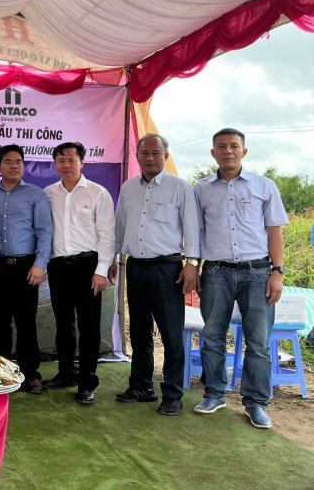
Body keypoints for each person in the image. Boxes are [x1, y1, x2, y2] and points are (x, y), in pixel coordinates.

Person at [193, 128, 288, 429]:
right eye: (221, 147)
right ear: (213, 153)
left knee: (258, 341)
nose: (228, 151)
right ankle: (215, 393)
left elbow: (274, 231)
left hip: (258, 273)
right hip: (216, 272)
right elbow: (196, 232)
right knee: (212, 335)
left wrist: (277, 272)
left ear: (244, 151)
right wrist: (193, 266)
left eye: (234, 146)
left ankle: (256, 402)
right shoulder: (201, 189)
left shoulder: (264, 186)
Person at [109, 133, 199, 416]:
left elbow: (192, 228)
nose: (150, 158)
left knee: (171, 335)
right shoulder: (128, 188)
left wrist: (192, 264)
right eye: (145, 153)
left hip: (168, 269)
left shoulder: (179, 188)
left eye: (156, 153)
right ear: (137, 156)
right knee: (139, 330)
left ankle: (172, 393)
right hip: (135, 267)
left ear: (165, 156)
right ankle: (141, 386)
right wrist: (112, 258)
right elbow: (119, 226)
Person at [42, 142, 115, 405]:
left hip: (88, 267)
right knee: (63, 325)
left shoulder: (98, 193)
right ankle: (66, 373)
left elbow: (107, 235)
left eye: (71, 160)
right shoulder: (48, 193)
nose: (66, 165)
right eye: (61, 160)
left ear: (82, 162)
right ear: (55, 164)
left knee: (89, 327)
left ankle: (86, 383)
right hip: (58, 267)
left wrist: (101, 271)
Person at [0, 144, 53, 394]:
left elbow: (45, 232)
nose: (14, 166)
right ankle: (2, 372)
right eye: (8, 162)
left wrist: (39, 265)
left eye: (18, 162)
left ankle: (30, 373)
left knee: (26, 323)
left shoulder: (35, 195)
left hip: (26, 268)